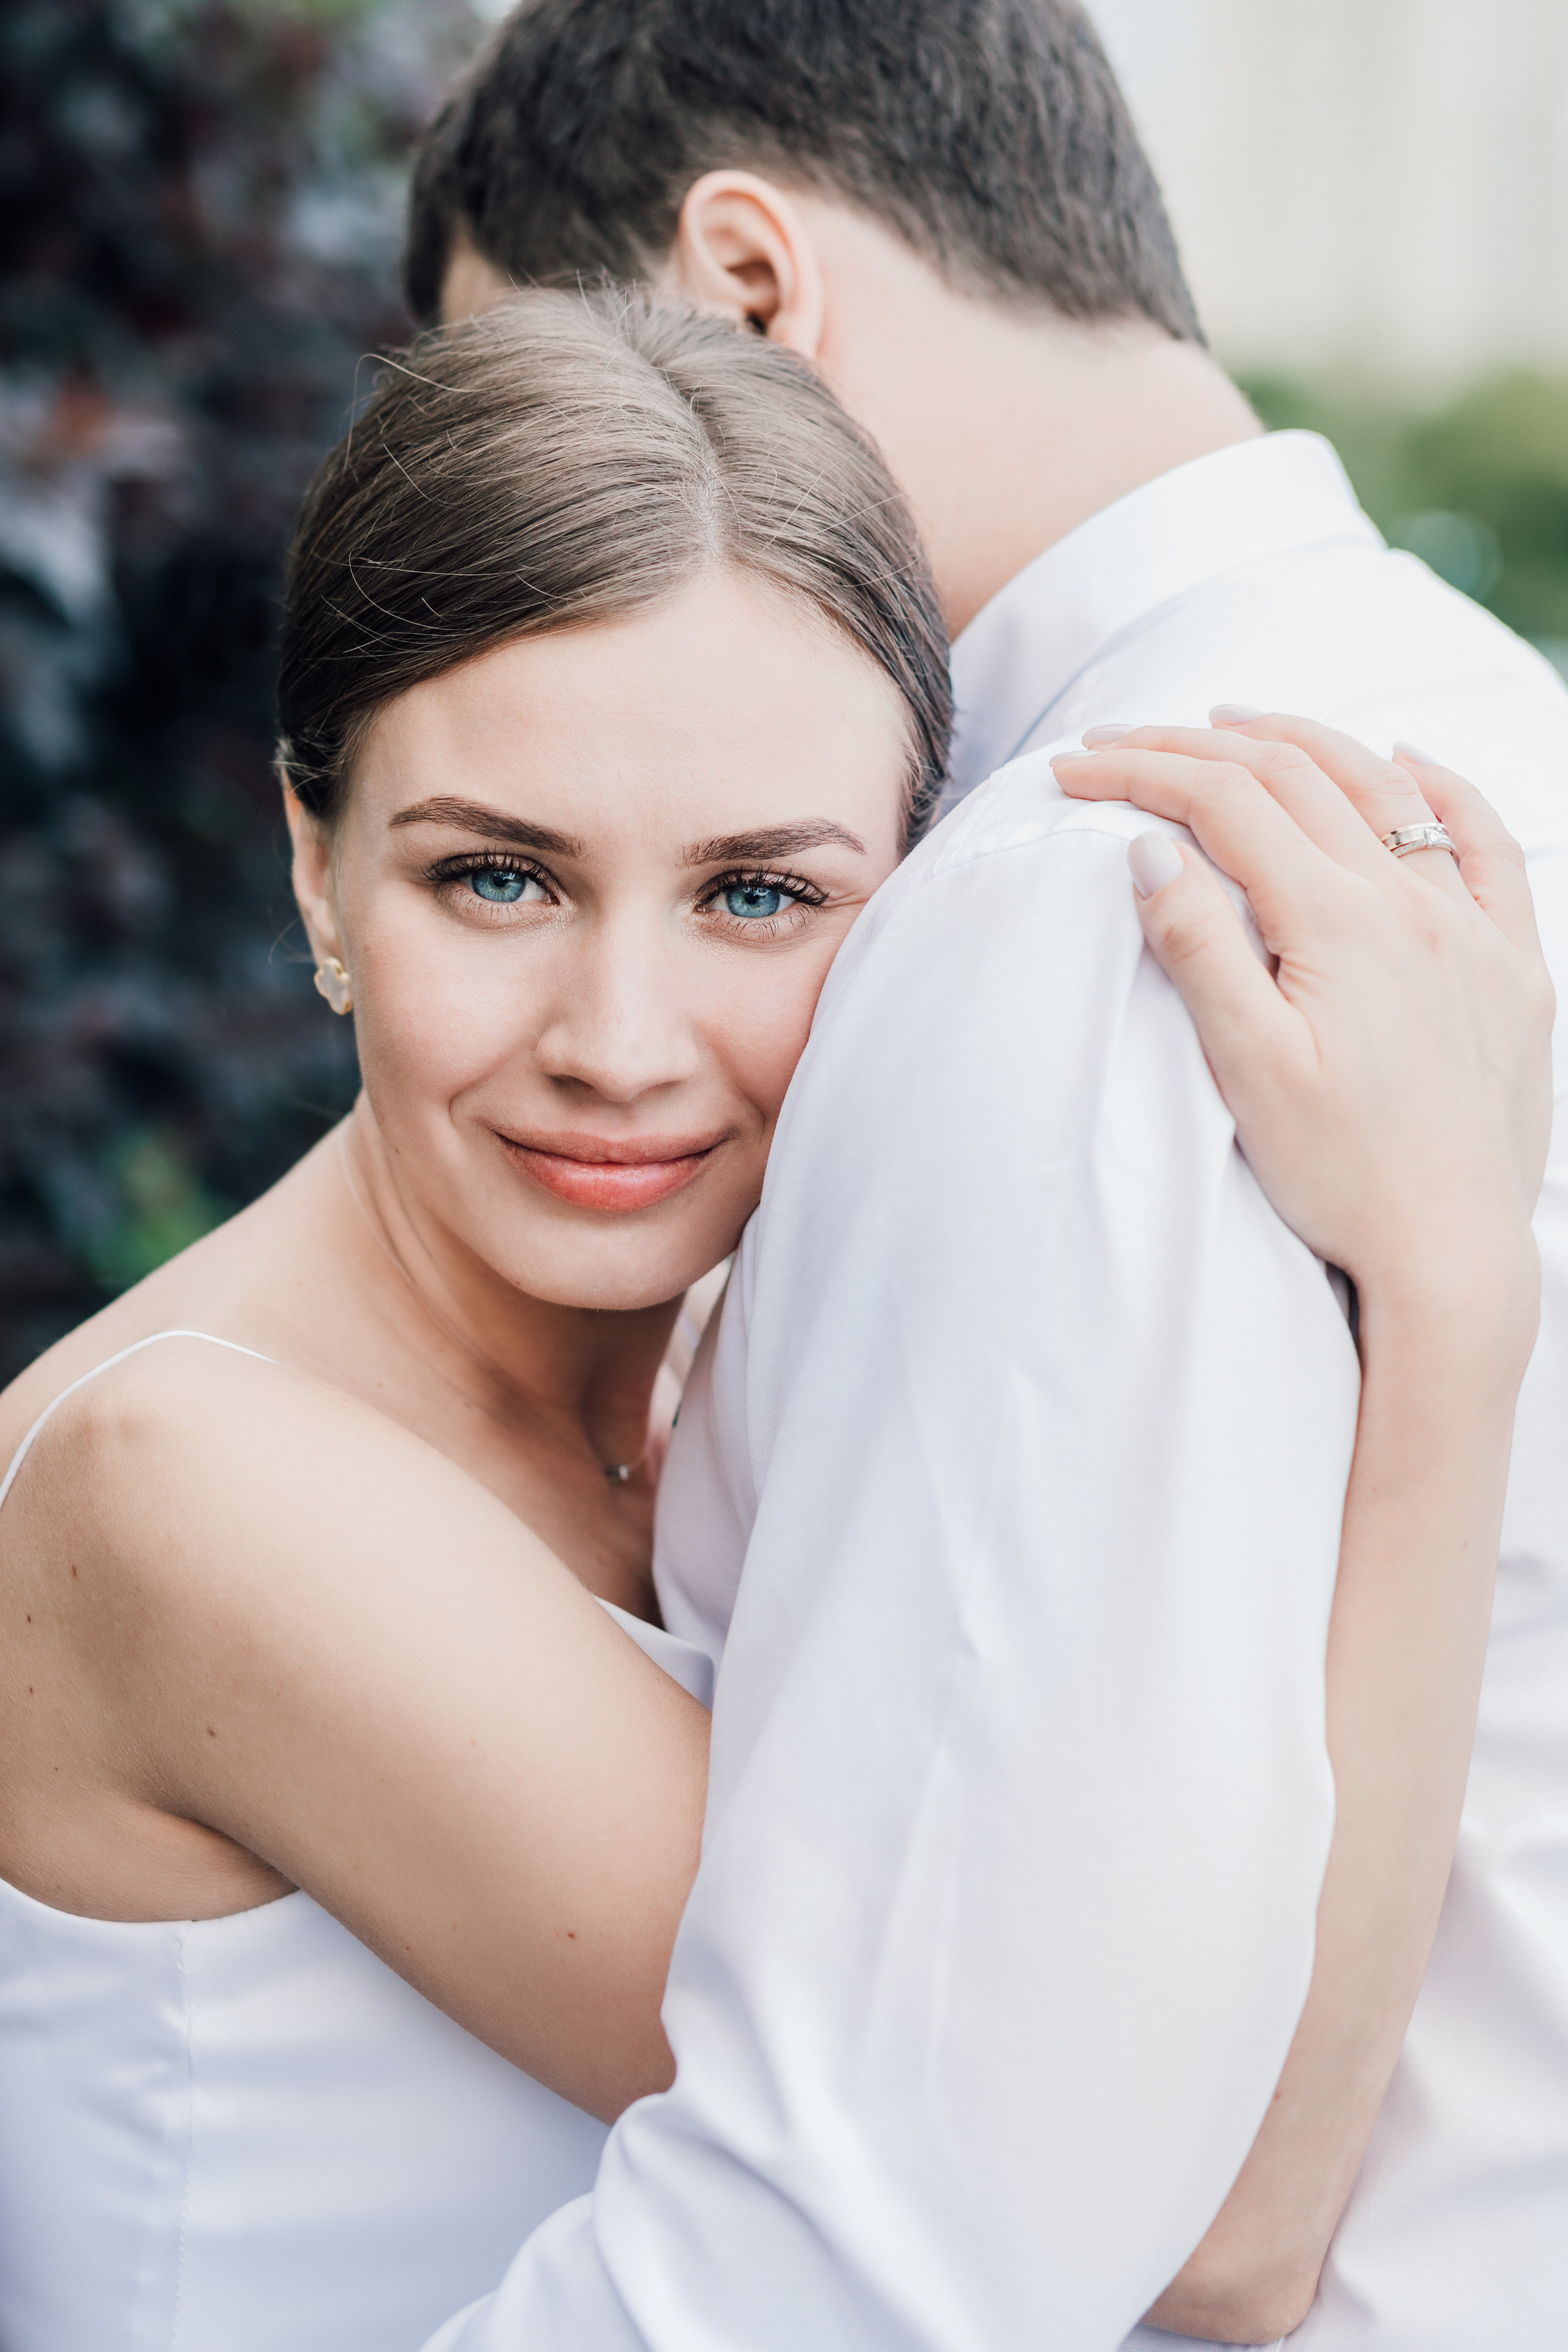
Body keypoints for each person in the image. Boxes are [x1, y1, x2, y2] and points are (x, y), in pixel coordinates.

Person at [0, 288, 1547, 2352]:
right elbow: (1200, 2232)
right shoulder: (186, 1488)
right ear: (316, 867)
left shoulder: (746, 1373)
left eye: (756, 898)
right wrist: (1450, 1298)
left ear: (901, 899)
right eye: (496, 879)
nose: (620, 1046)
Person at [411, 6, 1568, 2343]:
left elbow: (914, 2219)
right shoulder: (1497, 736)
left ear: (743, 292)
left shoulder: (1114, 881)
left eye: (523, 419)